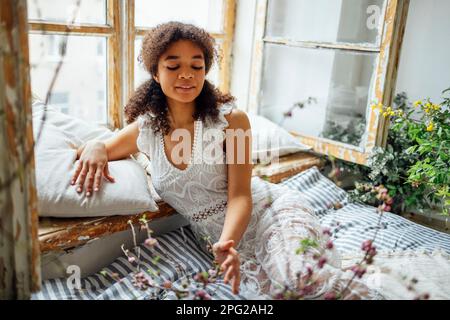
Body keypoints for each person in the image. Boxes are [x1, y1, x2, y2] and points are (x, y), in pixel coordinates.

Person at [71, 21, 378, 300]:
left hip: (269, 213)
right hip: (223, 245)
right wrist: (96, 147)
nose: (187, 74)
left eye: (197, 65)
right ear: (155, 72)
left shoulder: (232, 120)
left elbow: (241, 195)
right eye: (173, 66)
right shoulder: (148, 127)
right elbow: (103, 145)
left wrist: (226, 242)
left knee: (298, 279)